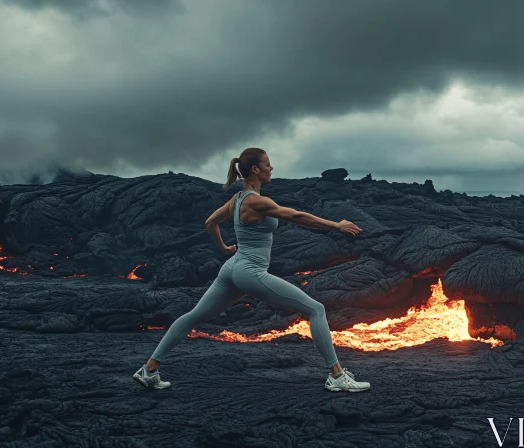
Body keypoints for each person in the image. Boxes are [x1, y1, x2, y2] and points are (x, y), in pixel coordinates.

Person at [133, 148, 370, 392]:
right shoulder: (257, 201)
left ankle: (149, 369)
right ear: (255, 169)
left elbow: (210, 222)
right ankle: (337, 376)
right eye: (268, 164)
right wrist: (336, 225)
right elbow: (297, 216)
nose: (271, 168)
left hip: (232, 268)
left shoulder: (237, 199)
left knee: (193, 316)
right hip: (250, 271)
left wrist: (225, 248)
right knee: (315, 309)